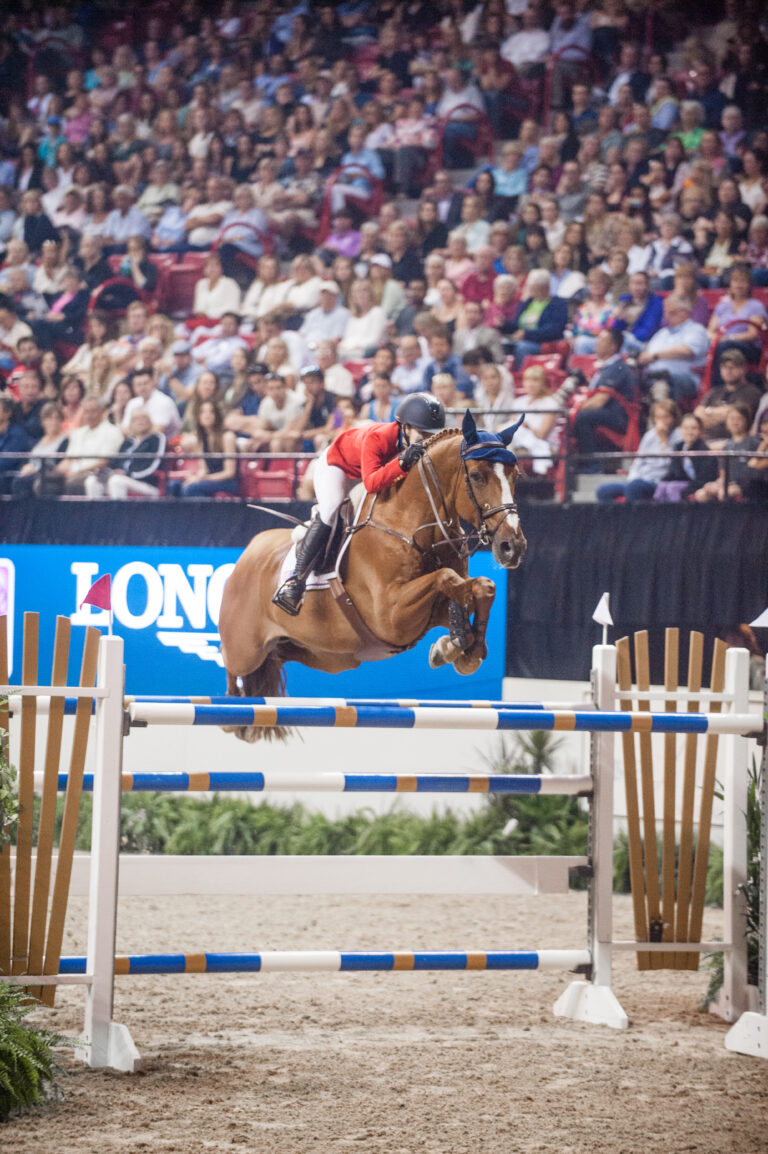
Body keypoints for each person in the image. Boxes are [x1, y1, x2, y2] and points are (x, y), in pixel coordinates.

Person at [272, 392, 445, 616]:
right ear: (405, 427)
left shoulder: (412, 442)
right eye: (422, 434)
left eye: (431, 435)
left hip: (367, 471)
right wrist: (402, 462)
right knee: (332, 508)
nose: (427, 440)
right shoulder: (378, 438)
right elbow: (371, 483)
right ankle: (295, 582)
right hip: (338, 465)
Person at [571, 328, 636, 470]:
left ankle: (592, 464)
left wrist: (574, 409)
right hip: (607, 413)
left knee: (582, 417)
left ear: (613, 346)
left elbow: (600, 401)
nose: (597, 343)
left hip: (619, 417)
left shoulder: (617, 366)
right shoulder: (606, 366)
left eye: (601, 340)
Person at [597, 399, 681, 502]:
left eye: (666, 417)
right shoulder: (649, 436)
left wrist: (663, 440)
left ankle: (635, 513)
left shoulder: (679, 436)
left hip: (660, 482)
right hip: (641, 480)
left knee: (634, 488)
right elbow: (638, 462)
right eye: (658, 417)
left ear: (674, 418)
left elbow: (670, 465)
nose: (662, 421)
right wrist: (633, 479)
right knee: (603, 491)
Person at [637, 296, 709, 402]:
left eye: (672, 312)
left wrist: (655, 356)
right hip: (652, 376)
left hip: (684, 379)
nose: (667, 316)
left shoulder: (696, 330)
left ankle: (660, 410)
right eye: (666, 312)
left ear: (684, 312)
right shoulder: (661, 333)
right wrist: (643, 359)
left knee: (663, 382)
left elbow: (687, 351)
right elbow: (646, 355)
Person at [85, 407, 166, 499]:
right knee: (92, 481)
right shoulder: (128, 442)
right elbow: (115, 463)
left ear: (150, 421)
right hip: (122, 480)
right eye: (136, 419)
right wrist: (105, 471)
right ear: (131, 424)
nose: (140, 422)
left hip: (146, 483)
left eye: (143, 418)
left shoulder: (156, 438)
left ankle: (118, 509)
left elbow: (155, 465)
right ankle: (94, 509)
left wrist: (127, 474)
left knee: (116, 481)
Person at [693, 403, 762, 502]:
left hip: (747, 485)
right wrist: (717, 483)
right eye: (731, 418)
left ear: (746, 421)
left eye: (738, 418)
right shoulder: (727, 446)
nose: (735, 422)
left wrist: (733, 484)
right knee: (701, 494)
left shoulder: (754, 443)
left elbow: (756, 471)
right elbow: (723, 474)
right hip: (728, 483)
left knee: (723, 493)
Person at [56, 395, 124, 494]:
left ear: (102, 411)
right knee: (45, 481)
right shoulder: (78, 433)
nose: (89, 415)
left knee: (71, 484)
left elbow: (103, 462)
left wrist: (76, 472)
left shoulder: (112, 431)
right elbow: (68, 460)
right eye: (86, 412)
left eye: (93, 411)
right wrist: (56, 472)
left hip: (94, 474)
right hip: (73, 473)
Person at [502, 269, 568, 369]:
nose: (529, 289)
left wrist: (527, 334)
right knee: (503, 345)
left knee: (522, 347)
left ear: (544, 287)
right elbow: (516, 324)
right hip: (521, 340)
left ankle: (522, 374)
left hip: (544, 343)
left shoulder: (558, 304)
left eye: (533, 286)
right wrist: (503, 324)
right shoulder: (527, 303)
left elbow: (554, 330)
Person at [694, 349, 763, 444]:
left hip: (736, 443)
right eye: (725, 367)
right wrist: (718, 413)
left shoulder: (752, 392)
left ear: (743, 369)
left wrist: (709, 413)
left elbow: (734, 414)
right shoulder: (714, 392)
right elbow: (698, 415)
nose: (728, 371)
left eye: (732, 367)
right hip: (707, 442)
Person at [173, 399, 239, 498]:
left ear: (217, 415)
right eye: (203, 412)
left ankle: (204, 508)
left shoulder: (227, 436)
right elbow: (204, 469)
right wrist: (195, 478)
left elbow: (229, 473)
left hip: (227, 482)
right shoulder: (201, 438)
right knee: (174, 485)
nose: (207, 415)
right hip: (209, 480)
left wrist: (203, 479)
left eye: (211, 412)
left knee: (191, 489)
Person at [653, 413, 718, 502]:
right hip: (682, 483)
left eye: (693, 428)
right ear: (680, 430)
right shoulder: (678, 447)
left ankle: (677, 511)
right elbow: (673, 472)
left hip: (698, 485)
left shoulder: (705, 451)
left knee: (673, 488)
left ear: (700, 431)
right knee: (662, 486)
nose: (689, 432)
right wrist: (663, 481)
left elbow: (704, 478)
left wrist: (687, 486)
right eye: (686, 428)